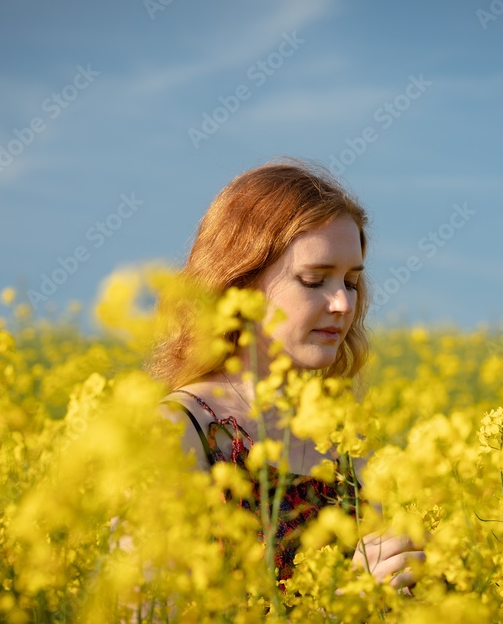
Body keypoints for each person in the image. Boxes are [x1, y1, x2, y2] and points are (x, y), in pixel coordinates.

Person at [150, 158, 424, 593]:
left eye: (351, 282)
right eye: (314, 280)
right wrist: (340, 607)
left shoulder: (346, 442)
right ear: (239, 282)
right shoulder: (178, 431)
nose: (342, 305)